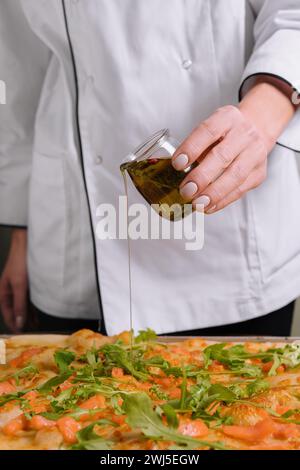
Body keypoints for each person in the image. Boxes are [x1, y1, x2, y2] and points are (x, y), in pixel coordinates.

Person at [0, 0, 300, 336]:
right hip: (73, 236)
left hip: (227, 242)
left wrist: (262, 118)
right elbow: (17, 69)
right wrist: (22, 235)